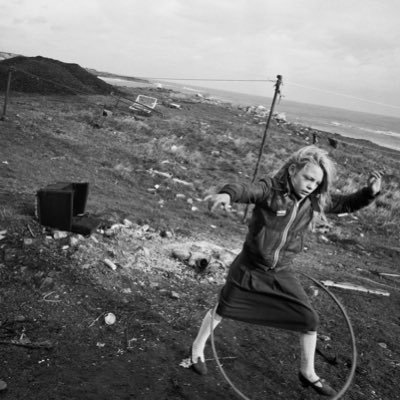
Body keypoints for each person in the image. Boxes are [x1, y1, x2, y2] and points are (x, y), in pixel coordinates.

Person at [190, 145, 382, 397]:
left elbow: (345, 203)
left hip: (281, 270)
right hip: (250, 266)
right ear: (293, 170)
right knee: (223, 308)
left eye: (316, 182)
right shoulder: (271, 189)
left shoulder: (315, 201)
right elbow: (247, 190)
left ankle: (307, 373)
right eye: (308, 178)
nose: (311, 185)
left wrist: (369, 193)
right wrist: (227, 195)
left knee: (309, 319)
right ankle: (197, 348)